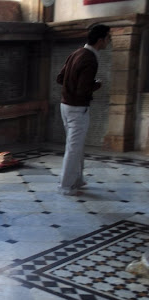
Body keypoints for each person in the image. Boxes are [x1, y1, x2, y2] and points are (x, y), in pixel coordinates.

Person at [56, 24, 111, 196]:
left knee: (76, 146)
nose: (110, 41)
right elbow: (82, 90)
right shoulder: (90, 58)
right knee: (73, 148)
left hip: (65, 105)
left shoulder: (77, 52)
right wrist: (97, 84)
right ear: (101, 40)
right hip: (77, 109)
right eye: (109, 38)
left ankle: (77, 180)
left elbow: (60, 78)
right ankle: (66, 186)